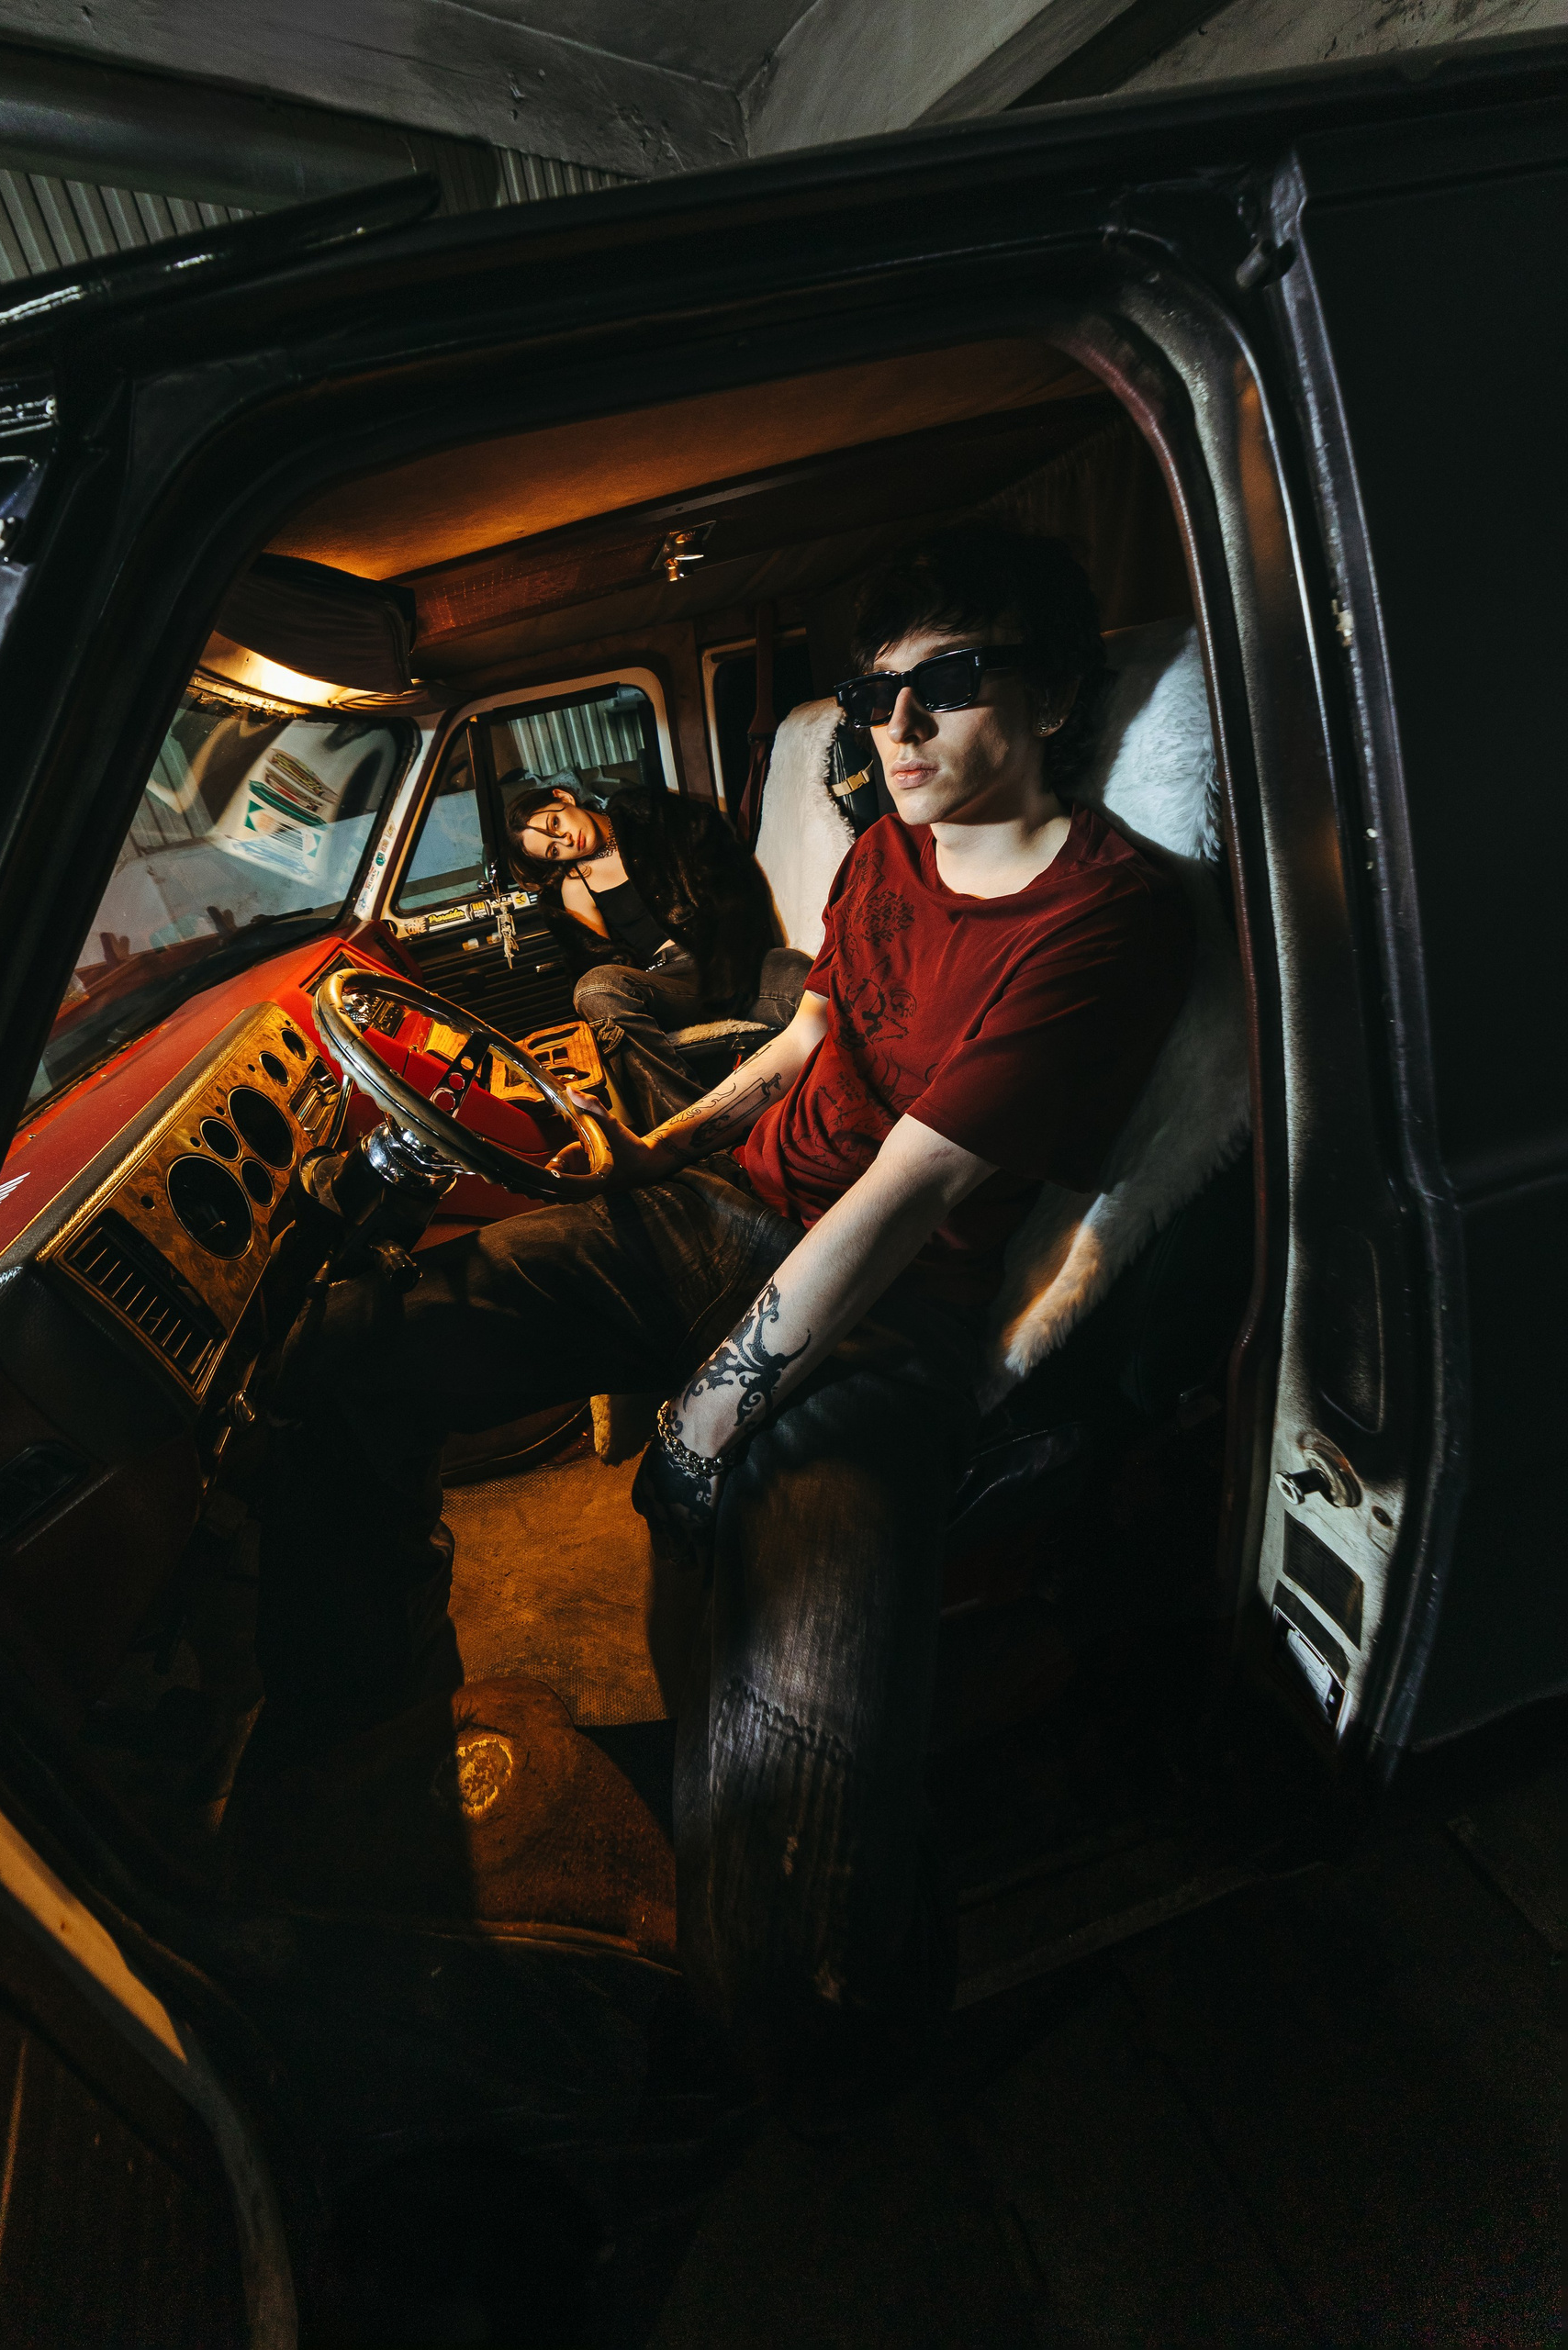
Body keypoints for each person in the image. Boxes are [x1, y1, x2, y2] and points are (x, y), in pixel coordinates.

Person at [255, 525, 1193, 2119]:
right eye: (873, 697)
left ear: (1051, 698)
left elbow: (904, 1199)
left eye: (949, 684)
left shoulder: (1109, 918)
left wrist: (701, 1427)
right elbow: (813, 1035)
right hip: (728, 1212)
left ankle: (820, 2083)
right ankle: (365, 1750)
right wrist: (663, 1150)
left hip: (888, 1315)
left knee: (790, 1861)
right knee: (343, 1354)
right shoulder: (889, 850)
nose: (896, 729)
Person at [506, 776, 811, 1128]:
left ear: (563, 797)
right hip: (671, 984)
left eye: (555, 824)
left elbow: (733, 882)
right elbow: (601, 962)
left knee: (798, 970)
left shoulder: (654, 818)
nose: (565, 841)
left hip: (736, 959)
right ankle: (693, 1134)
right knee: (594, 988)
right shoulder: (577, 886)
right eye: (553, 851)